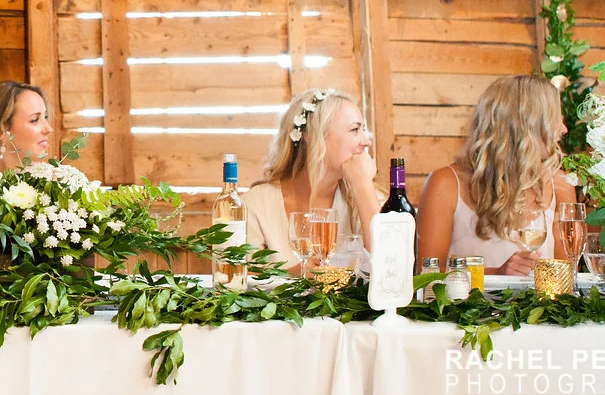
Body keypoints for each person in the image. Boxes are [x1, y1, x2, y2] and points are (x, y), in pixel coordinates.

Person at [416, 75, 576, 276]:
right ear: (525, 126)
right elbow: (426, 277)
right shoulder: (445, 184)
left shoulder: (560, 185)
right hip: (469, 299)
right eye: (554, 119)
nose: (563, 129)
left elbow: (566, 276)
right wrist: (497, 274)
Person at [243, 88, 382, 271]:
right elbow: (238, 280)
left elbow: (389, 266)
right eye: (355, 130)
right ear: (311, 135)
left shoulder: (368, 198)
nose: (366, 141)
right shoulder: (255, 205)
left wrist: (362, 185)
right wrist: (298, 273)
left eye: (363, 130)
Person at [0, 80, 53, 171]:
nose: (49, 129)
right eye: (34, 120)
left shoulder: (60, 177)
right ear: (0, 131)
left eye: (46, 117)